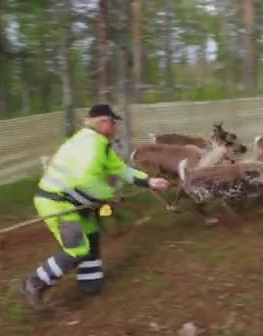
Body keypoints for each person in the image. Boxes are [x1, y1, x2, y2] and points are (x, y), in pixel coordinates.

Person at [21, 104, 169, 311]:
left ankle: (90, 284)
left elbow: (122, 170)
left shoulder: (99, 143)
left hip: (77, 202)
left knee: (91, 235)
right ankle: (34, 283)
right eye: (113, 122)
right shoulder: (90, 143)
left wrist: (149, 182)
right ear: (103, 122)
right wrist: (109, 197)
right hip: (58, 203)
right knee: (77, 250)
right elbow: (85, 180)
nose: (115, 127)